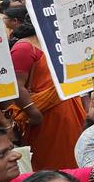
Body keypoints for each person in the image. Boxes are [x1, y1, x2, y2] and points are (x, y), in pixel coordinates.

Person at [9, 20, 87, 170]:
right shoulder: (24, 48)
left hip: (70, 113)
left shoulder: (59, 42)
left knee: (75, 159)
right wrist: (34, 113)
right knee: (51, 167)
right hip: (45, 119)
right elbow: (16, 86)